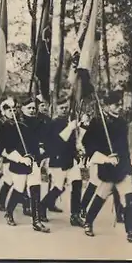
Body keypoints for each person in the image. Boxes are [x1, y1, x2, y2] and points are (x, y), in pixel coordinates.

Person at [81, 91, 132, 245]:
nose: (119, 107)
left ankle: (131, 232)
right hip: (107, 166)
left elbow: (124, 147)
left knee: (130, 195)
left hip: (121, 166)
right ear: (106, 105)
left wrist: (128, 166)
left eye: (120, 104)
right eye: (116, 104)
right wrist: (105, 158)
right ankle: (88, 222)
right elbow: (87, 143)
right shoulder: (97, 122)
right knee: (101, 195)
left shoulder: (122, 122)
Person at [0, 96, 49, 232]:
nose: (32, 110)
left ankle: (36, 221)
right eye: (29, 108)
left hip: (35, 161)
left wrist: (43, 149)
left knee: (35, 189)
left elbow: (44, 139)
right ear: (22, 109)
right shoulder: (15, 124)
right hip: (20, 161)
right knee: (19, 189)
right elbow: (8, 147)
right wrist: (21, 158)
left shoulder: (40, 123)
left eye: (34, 108)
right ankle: (9, 212)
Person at [39, 95, 85, 227]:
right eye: (61, 108)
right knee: (58, 188)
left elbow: (72, 141)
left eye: (66, 108)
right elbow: (58, 142)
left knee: (77, 184)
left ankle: (75, 215)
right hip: (57, 160)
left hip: (71, 160)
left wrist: (78, 148)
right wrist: (70, 128)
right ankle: (42, 206)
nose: (64, 110)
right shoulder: (52, 124)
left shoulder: (69, 123)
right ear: (56, 109)